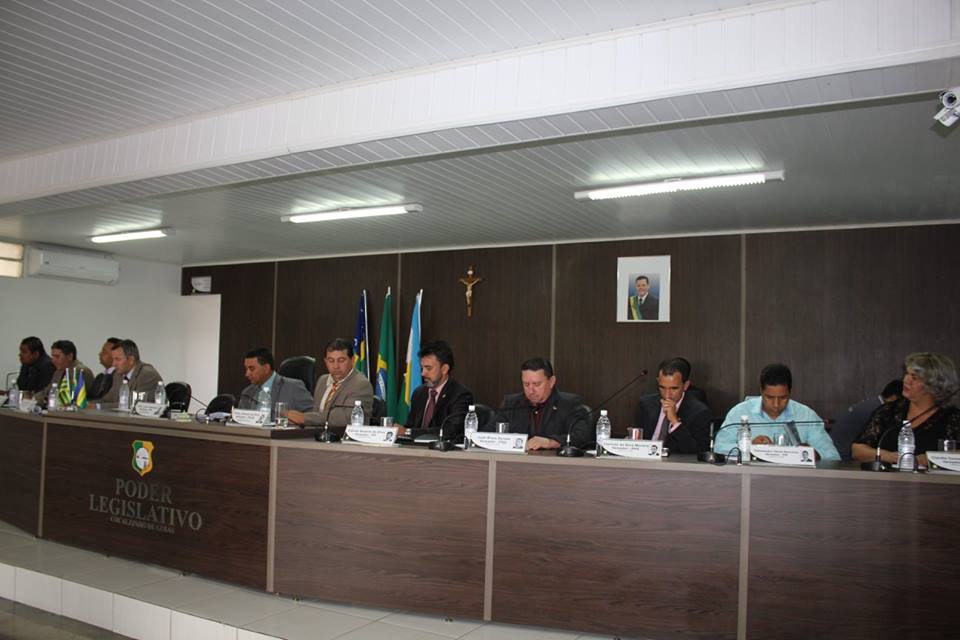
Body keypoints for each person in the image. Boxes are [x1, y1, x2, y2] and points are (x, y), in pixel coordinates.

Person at [852, 353, 960, 466]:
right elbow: (857, 450)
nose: (906, 380)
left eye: (914, 377)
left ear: (934, 385)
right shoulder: (888, 411)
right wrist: (889, 456)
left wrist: (928, 459)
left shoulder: (953, 418)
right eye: (907, 374)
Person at [714, 363, 840, 460]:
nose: (776, 404)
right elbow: (719, 448)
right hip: (753, 479)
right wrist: (749, 448)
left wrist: (814, 454)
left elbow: (832, 456)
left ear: (790, 392)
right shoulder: (740, 412)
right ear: (761, 391)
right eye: (769, 397)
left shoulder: (806, 415)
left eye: (783, 398)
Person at [493, 357, 590, 451]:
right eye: (526, 384)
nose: (531, 391)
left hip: (552, 461)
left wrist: (551, 442)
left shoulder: (569, 404)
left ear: (551, 382)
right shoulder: (511, 403)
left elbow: (581, 436)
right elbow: (488, 434)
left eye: (537, 384)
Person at [288, 338, 373, 427]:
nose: (335, 366)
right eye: (331, 361)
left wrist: (304, 418)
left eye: (341, 360)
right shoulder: (322, 380)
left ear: (352, 360)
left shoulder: (361, 384)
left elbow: (346, 418)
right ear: (325, 361)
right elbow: (316, 414)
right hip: (318, 434)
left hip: (344, 435)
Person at [634, 357, 712, 454]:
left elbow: (699, 451)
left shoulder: (699, 412)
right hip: (645, 460)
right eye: (662, 387)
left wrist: (675, 422)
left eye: (674, 388)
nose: (667, 395)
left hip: (676, 462)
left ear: (686, 385)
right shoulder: (645, 404)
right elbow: (637, 439)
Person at [403, 340, 473, 439]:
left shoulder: (460, 395)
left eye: (428, 368)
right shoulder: (419, 393)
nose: (423, 373)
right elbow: (410, 426)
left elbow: (450, 431)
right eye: (422, 368)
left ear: (444, 369)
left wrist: (408, 432)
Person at [829, 379, 902, 460]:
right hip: (842, 454)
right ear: (894, 397)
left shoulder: (872, 402)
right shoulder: (878, 410)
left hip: (837, 447)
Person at [237, 348, 313, 413]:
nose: (247, 374)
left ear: (266, 368)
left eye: (251, 369)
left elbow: (312, 416)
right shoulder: (247, 393)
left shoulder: (294, 387)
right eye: (246, 369)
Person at [102, 339, 164, 403]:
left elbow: (135, 405)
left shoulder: (147, 375)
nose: (113, 364)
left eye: (117, 359)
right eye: (113, 359)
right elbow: (107, 400)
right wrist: (95, 405)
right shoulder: (118, 375)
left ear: (131, 360)